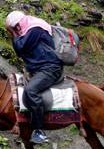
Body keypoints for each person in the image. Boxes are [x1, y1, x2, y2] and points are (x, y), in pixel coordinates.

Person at [5, 11, 63, 145]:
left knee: (31, 91)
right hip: (37, 69)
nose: (16, 31)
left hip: (49, 68)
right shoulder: (28, 30)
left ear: (19, 24)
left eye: (15, 27)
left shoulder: (35, 29)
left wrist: (13, 34)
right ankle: (23, 125)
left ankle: (39, 131)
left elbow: (20, 48)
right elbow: (20, 51)